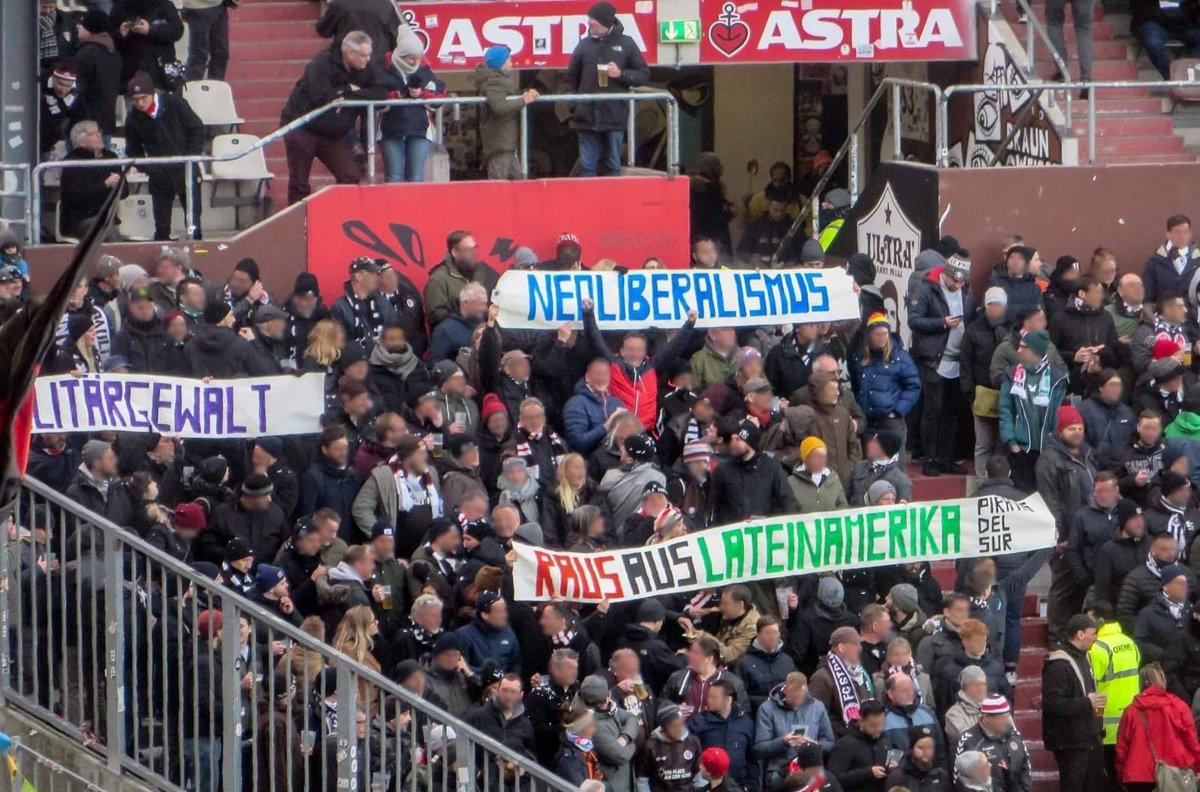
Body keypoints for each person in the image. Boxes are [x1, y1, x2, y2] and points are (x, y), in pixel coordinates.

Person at [281, 32, 387, 205]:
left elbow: (381, 93)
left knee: (350, 174)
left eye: (368, 55)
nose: (367, 59)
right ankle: (300, 223)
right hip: (303, 126)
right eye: (363, 55)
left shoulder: (367, 68)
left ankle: (334, 211)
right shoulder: (321, 63)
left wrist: (349, 93)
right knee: (299, 182)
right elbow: (320, 95)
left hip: (335, 132)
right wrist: (348, 89)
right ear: (349, 54)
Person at [564, 2, 650, 177]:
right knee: (587, 165)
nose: (589, 23)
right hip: (585, 116)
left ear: (605, 22)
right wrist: (574, 104)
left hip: (614, 115)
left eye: (593, 21)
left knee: (613, 163)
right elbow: (570, 78)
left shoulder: (626, 43)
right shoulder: (583, 45)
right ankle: (588, 202)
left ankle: (614, 202)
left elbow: (643, 74)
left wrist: (621, 74)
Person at [908, 252, 974, 476]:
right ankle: (931, 457)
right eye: (955, 280)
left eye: (961, 281)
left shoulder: (966, 291)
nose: (958, 284)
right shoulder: (927, 289)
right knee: (932, 411)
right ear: (945, 274)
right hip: (934, 360)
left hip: (957, 360)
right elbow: (914, 320)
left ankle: (946, 458)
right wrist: (942, 324)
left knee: (951, 412)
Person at [124, 71, 205, 240]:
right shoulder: (133, 118)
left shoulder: (174, 103)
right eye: (135, 99)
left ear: (152, 94)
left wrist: (189, 158)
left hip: (186, 169)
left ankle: (198, 251)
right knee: (161, 225)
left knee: (193, 221)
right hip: (159, 173)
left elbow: (197, 129)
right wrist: (149, 168)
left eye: (143, 98)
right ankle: (162, 249)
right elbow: (133, 150)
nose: (139, 103)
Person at [1042, 613, 1106, 788]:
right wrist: (1087, 703)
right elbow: (1051, 704)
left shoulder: (1084, 658)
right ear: (1080, 635)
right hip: (1070, 742)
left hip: (1089, 738)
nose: (1095, 638)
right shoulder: (1059, 664)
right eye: (1093, 633)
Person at [1115, 662, 1200, 790]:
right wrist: (1197, 767)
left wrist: (1123, 774)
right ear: (1163, 680)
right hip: (1175, 773)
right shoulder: (1179, 706)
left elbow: (1122, 748)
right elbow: (1191, 741)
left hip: (1138, 775)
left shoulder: (1131, 711)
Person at [379, 26, 443, 183]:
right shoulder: (383, 69)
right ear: (401, 55)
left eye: (418, 58)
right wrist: (398, 95)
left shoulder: (425, 71)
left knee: (415, 177)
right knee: (394, 177)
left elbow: (439, 95)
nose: (416, 61)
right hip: (391, 129)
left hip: (419, 129)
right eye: (411, 58)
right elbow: (375, 95)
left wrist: (420, 94)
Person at [849, 313, 921, 451]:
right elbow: (855, 384)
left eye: (884, 334)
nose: (882, 338)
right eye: (877, 334)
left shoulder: (900, 357)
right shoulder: (859, 357)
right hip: (867, 422)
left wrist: (898, 411)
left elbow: (914, 386)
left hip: (890, 421)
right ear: (869, 335)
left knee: (893, 467)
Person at [753, 671, 835, 783]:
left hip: (810, 772)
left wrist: (814, 745)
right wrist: (783, 742)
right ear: (785, 689)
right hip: (780, 773)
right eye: (792, 698)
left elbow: (830, 744)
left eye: (800, 698)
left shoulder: (817, 707)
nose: (796, 702)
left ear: (806, 690)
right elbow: (759, 748)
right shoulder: (767, 709)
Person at [712, 419, 798, 524]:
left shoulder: (772, 467)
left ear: (749, 442)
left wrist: (767, 520)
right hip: (734, 536)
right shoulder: (722, 471)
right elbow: (715, 508)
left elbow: (787, 501)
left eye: (737, 439)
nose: (732, 443)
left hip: (765, 535)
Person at [476, 46, 538, 180]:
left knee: (517, 182)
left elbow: (506, 98)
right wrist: (523, 100)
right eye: (509, 59)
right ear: (500, 64)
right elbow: (499, 106)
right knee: (499, 185)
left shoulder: (500, 80)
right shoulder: (494, 82)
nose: (512, 62)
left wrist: (524, 94)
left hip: (506, 143)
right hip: (500, 144)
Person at [59, 121, 123, 240]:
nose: (99, 136)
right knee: (105, 231)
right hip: (80, 219)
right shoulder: (72, 161)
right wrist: (105, 184)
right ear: (81, 141)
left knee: (107, 228)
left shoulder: (111, 157)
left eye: (99, 132)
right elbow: (75, 196)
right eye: (93, 134)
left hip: (107, 217)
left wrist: (118, 184)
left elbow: (124, 193)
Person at [953, 695, 1031, 792]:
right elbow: (959, 779)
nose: (1007, 721)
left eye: (1008, 716)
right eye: (1002, 717)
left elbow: (1025, 768)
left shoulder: (1014, 734)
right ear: (986, 719)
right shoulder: (968, 740)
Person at [688, 680, 755, 792]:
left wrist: (752, 786)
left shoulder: (745, 722)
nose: (709, 700)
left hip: (739, 785)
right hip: (707, 784)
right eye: (708, 696)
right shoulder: (698, 723)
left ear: (728, 700)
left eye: (714, 698)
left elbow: (751, 758)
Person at [808, 626, 872, 738]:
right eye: (855, 644)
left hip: (861, 737)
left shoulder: (857, 673)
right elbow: (817, 717)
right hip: (841, 741)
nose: (860, 648)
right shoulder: (821, 678)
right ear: (842, 647)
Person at [424, 230, 490, 329]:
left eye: (475, 248)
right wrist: (465, 312)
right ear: (455, 252)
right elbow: (434, 315)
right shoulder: (439, 279)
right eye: (468, 250)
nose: (474, 253)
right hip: (451, 338)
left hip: (478, 336)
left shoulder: (479, 273)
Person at [74, 10, 122, 137]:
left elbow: (77, 88)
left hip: (85, 123)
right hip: (107, 122)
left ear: (91, 29)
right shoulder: (113, 52)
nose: (78, 27)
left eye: (82, 25)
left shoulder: (87, 54)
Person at [826, 699, 888, 792]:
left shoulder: (882, 741)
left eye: (881, 724)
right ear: (861, 721)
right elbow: (833, 778)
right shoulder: (845, 745)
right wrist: (868, 773)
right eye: (873, 725)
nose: (878, 729)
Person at [1134, 2, 1200, 79]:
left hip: (1188, 25)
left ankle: (1195, 74)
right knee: (1153, 42)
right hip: (1155, 23)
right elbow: (1140, 10)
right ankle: (1174, 78)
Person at [886, 724, 949, 791]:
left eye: (930, 747)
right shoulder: (898, 777)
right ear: (912, 749)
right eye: (921, 748)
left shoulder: (941, 776)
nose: (926, 752)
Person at [181, 0, 229, 81]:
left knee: (221, 53)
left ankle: (216, 88)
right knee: (199, 56)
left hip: (219, 6)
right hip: (197, 8)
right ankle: (192, 90)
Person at [944, 666, 987, 748]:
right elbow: (969, 741)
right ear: (964, 687)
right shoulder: (953, 714)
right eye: (976, 684)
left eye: (983, 684)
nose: (981, 688)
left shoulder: (995, 707)